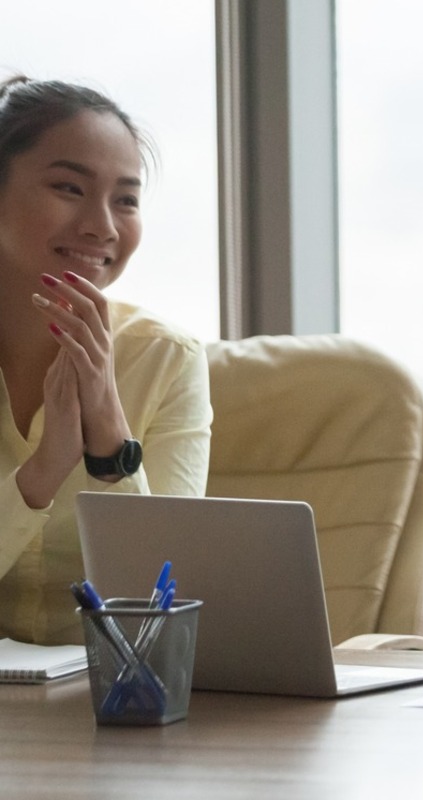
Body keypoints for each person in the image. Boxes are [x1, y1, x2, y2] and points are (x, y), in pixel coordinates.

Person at [0, 77, 211, 645]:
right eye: (70, 187)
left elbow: (165, 614)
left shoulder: (166, 359)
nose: (103, 226)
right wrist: (41, 474)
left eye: (127, 199)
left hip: (112, 710)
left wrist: (110, 444)